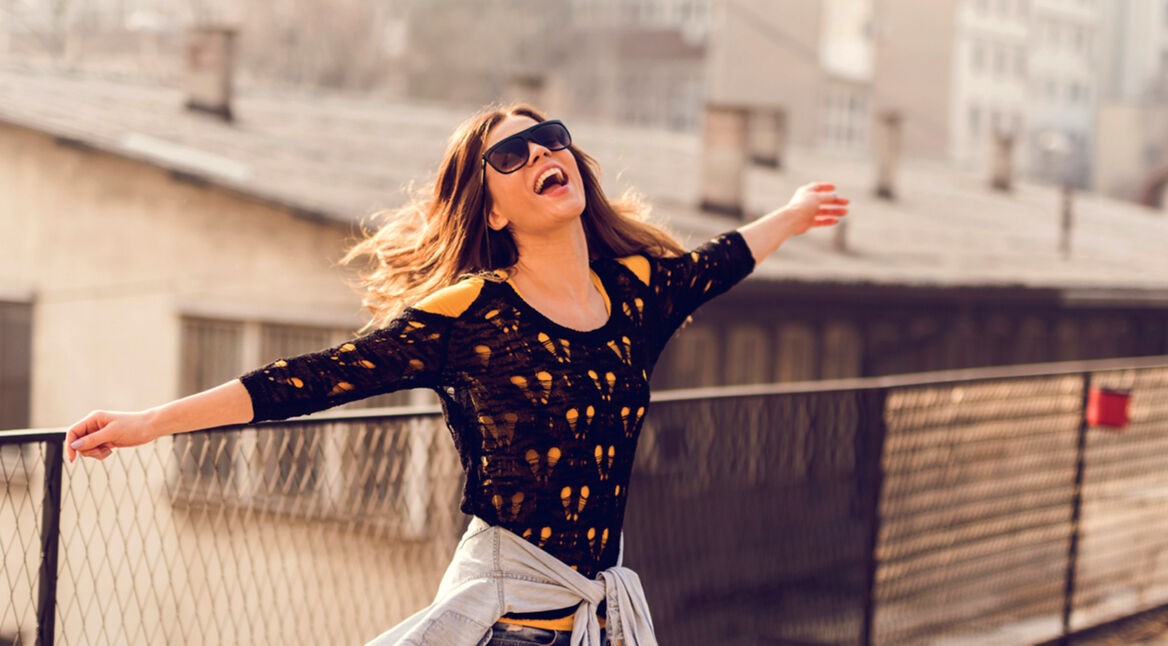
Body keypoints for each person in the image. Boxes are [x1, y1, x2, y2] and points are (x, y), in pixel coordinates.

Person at [65, 103, 849, 646]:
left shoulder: (639, 290)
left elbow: (718, 263)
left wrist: (790, 211)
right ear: (495, 208)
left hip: (595, 617)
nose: (543, 153)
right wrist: (148, 423)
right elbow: (310, 379)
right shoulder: (471, 312)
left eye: (550, 138)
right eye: (513, 154)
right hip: (503, 619)